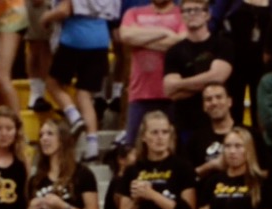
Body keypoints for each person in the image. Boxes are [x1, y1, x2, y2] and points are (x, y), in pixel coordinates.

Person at [112, 109, 198, 209]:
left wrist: (152, 195)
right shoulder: (133, 171)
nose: (160, 137)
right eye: (155, 132)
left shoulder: (182, 168)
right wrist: (137, 201)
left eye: (165, 132)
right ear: (144, 136)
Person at [160, 0, 232, 146]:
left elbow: (218, 77)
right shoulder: (174, 52)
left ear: (207, 15)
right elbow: (169, 90)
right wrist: (208, 80)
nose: (192, 14)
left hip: (220, 123)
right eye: (187, 11)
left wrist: (181, 84)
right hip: (186, 123)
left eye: (197, 10)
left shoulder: (223, 45)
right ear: (182, 16)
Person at [43, 0, 108, 159]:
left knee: (52, 83)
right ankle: (92, 146)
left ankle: (74, 116)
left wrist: (46, 17)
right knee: (84, 94)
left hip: (75, 38)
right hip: (100, 39)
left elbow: (65, 10)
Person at [116, 0, 184, 145]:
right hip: (140, 94)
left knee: (172, 148)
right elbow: (126, 36)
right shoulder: (133, 13)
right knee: (134, 147)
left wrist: (141, 40)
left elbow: (180, 43)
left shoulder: (182, 14)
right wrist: (165, 32)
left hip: (173, 94)